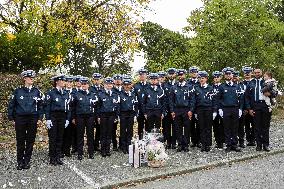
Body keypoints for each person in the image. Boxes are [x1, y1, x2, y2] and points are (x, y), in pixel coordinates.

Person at [8, 70, 44, 170]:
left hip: (33, 118)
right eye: (30, 77)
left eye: (33, 77)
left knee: (30, 140)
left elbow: (41, 105)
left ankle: (27, 161)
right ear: (24, 79)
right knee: (20, 140)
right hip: (20, 118)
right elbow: (12, 104)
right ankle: (20, 161)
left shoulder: (37, 91)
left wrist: (40, 117)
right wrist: (11, 117)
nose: (32, 79)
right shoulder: (18, 91)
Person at [245, 68, 275, 151]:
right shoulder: (250, 83)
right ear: (253, 74)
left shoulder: (266, 81)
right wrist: (249, 108)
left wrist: (270, 93)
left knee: (265, 126)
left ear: (261, 73)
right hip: (255, 106)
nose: (257, 74)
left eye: (258, 72)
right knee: (257, 126)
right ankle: (258, 145)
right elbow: (246, 97)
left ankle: (266, 145)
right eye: (255, 73)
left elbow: (275, 92)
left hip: (265, 105)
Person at [45, 75, 71, 165]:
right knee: (53, 137)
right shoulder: (51, 93)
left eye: (64, 80)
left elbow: (68, 107)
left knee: (60, 137)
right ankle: (52, 157)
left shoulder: (66, 93)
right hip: (53, 116)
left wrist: (67, 118)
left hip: (62, 116)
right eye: (62, 80)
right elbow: (47, 106)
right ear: (57, 81)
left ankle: (58, 156)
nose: (64, 82)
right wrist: (47, 119)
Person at [217, 67, 244, 152]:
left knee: (235, 127)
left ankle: (234, 144)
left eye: (230, 74)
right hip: (225, 110)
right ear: (224, 75)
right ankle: (228, 144)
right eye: (227, 74)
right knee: (227, 128)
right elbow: (218, 99)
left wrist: (240, 109)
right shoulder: (221, 87)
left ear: (232, 75)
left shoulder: (237, 86)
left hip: (235, 109)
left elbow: (241, 98)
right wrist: (220, 109)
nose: (228, 75)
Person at [72, 77, 97, 160]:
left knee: (90, 135)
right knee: (80, 135)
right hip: (80, 117)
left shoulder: (92, 94)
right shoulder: (76, 94)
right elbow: (73, 107)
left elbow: (96, 106)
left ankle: (91, 153)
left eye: (85, 84)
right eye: (82, 84)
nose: (83, 85)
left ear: (88, 85)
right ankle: (80, 153)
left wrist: (95, 117)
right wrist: (73, 118)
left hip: (90, 116)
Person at [192, 71, 217, 152]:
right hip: (200, 110)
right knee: (201, 127)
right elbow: (194, 101)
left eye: (203, 78)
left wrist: (214, 111)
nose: (201, 79)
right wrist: (195, 112)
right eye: (199, 78)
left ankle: (208, 144)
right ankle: (203, 144)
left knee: (208, 128)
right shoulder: (196, 88)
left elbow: (214, 101)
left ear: (206, 79)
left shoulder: (210, 88)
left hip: (209, 109)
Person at [169, 69, 193, 152]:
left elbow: (192, 99)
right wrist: (172, 111)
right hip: (177, 110)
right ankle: (179, 144)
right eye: (179, 75)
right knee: (178, 128)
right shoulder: (173, 87)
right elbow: (171, 100)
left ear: (185, 76)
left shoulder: (189, 87)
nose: (180, 76)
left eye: (182, 75)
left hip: (186, 110)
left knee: (187, 128)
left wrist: (191, 110)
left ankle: (186, 145)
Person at [97, 77, 120, 157]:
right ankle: (103, 150)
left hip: (111, 115)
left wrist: (116, 116)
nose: (109, 85)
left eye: (110, 84)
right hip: (103, 115)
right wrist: (98, 116)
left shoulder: (115, 94)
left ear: (112, 85)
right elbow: (98, 106)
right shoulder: (100, 94)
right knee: (103, 133)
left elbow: (117, 106)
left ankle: (107, 149)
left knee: (109, 132)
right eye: (107, 84)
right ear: (104, 85)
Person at [119, 79, 138, 154]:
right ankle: (123, 147)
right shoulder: (120, 94)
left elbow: (136, 106)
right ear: (123, 86)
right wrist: (118, 115)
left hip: (131, 114)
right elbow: (118, 106)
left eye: (128, 85)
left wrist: (136, 115)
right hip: (123, 114)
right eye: (125, 85)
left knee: (130, 131)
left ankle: (129, 146)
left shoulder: (133, 95)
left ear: (131, 85)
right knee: (123, 131)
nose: (127, 86)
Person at [162, 68, 177, 149]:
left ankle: (174, 142)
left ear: (175, 74)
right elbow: (163, 99)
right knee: (166, 127)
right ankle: (168, 142)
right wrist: (164, 110)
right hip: (167, 109)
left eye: (173, 73)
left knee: (175, 126)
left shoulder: (178, 84)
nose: (171, 75)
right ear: (167, 75)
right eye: (170, 73)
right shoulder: (164, 85)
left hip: (175, 109)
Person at [133, 68, 149, 139]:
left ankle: (148, 143)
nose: (142, 76)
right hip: (139, 110)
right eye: (140, 75)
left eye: (143, 74)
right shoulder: (136, 86)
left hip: (148, 110)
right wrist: (136, 111)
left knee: (148, 127)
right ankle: (140, 142)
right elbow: (134, 99)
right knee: (140, 126)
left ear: (146, 75)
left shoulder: (149, 85)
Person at [242, 66, 256, 146]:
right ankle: (248, 139)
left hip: (253, 107)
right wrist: (245, 108)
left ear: (251, 73)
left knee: (254, 124)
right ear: (243, 74)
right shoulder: (241, 83)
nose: (247, 74)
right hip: (244, 108)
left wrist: (250, 108)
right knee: (246, 125)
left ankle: (253, 139)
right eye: (245, 73)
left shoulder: (254, 83)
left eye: (248, 73)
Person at [188, 66, 201, 148]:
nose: (194, 73)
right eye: (192, 72)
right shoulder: (187, 83)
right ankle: (193, 141)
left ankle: (199, 141)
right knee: (191, 125)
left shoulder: (200, 82)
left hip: (199, 107)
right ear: (190, 73)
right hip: (190, 107)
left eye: (195, 72)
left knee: (199, 125)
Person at [233, 71, 246, 148]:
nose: (235, 78)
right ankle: (233, 141)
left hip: (241, 109)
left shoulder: (243, 86)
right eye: (234, 76)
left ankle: (241, 141)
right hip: (232, 109)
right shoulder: (230, 85)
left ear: (238, 77)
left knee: (241, 126)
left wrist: (243, 108)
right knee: (233, 126)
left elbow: (245, 98)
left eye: (236, 76)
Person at [62, 75, 75, 157]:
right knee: (62, 133)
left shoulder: (75, 93)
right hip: (63, 116)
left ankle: (67, 150)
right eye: (67, 82)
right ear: (65, 83)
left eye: (70, 82)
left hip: (72, 116)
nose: (69, 83)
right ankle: (60, 150)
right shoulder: (62, 91)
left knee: (70, 134)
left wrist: (74, 117)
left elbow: (76, 106)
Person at [212, 71, 225, 149]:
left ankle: (223, 141)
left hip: (222, 109)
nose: (216, 79)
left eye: (217, 77)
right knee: (215, 126)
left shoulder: (223, 87)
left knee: (223, 126)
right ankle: (217, 141)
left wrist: (221, 108)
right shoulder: (211, 87)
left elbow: (224, 99)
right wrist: (214, 110)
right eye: (215, 77)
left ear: (220, 78)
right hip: (213, 110)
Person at [90, 73, 103, 152]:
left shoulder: (103, 89)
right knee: (90, 129)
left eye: (98, 79)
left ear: (101, 80)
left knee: (99, 129)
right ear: (93, 80)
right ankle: (91, 146)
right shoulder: (90, 89)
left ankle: (96, 144)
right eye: (95, 79)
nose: (96, 81)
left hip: (100, 112)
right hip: (92, 112)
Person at [112, 74, 123, 151]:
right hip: (114, 113)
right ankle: (114, 145)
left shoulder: (125, 89)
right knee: (113, 129)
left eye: (119, 79)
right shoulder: (111, 90)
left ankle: (122, 145)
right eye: (116, 79)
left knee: (123, 129)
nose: (118, 81)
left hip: (123, 112)